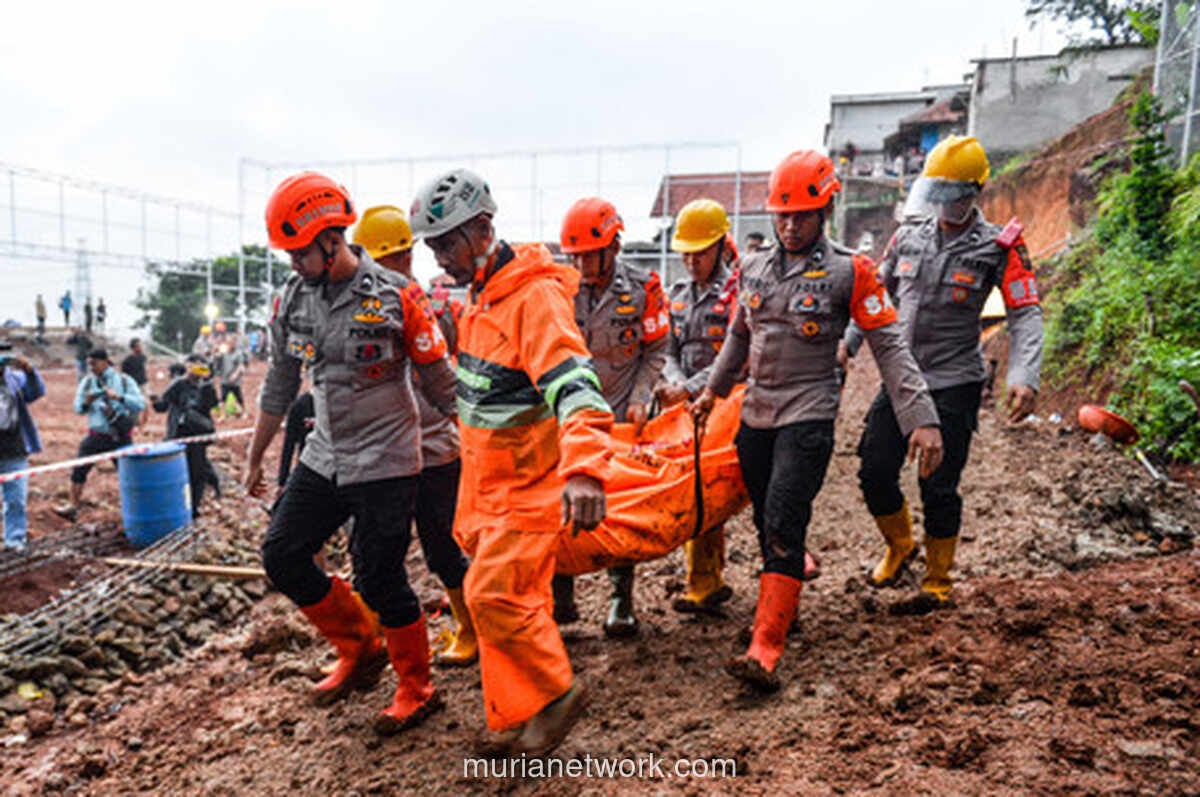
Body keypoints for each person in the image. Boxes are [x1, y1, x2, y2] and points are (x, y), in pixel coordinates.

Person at [691, 149, 942, 692]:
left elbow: (890, 346)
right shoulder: (752, 268)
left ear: (825, 210)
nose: (790, 225)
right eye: (781, 214)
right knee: (765, 515)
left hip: (809, 413)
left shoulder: (850, 271)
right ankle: (784, 601)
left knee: (783, 514)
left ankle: (765, 647)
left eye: (801, 214)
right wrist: (711, 391)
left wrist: (920, 416)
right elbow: (738, 336)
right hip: (756, 413)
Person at [243, 171, 457, 736]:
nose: (292, 262)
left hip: (388, 459)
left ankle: (417, 686)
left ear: (332, 239)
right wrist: (256, 456)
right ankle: (359, 646)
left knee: (380, 577)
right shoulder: (292, 299)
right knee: (283, 553)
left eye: (298, 251)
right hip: (325, 454)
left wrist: (484, 441)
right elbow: (279, 382)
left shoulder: (399, 296)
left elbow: (441, 384)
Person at [410, 167, 612, 756]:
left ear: (482, 230)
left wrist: (583, 468)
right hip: (492, 487)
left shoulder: (533, 297)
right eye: (434, 247)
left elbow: (574, 381)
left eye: (446, 243)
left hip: (530, 483)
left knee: (494, 596)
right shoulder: (483, 297)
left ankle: (555, 696)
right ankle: (518, 716)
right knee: (506, 599)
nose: (439, 258)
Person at [842, 135, 1043, 613]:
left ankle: (937, 579)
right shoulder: (907, 236)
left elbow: (1025, 311)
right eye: (937, 195)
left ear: (973, 193)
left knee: (939, 482)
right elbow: (873, 294)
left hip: (954, 381)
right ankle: (899, 546)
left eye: (953, 196)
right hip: (901, 379)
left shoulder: (999, 247)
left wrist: (1024, 375)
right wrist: (845, 345)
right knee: (873, 470)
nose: (944, 205)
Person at [352, 204, 477, 666]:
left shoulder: (441, 308)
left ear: (404, 258)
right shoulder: (359, 313)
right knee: (370, 546)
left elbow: (464, 372)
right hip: (381, 452)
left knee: (443, 544)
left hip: (434, 447)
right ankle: (370, 638)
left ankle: (470, 628)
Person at [654, 199, 742, 614]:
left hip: (727, 402)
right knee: (692, 481)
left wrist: (688, 388)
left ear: (721, 246)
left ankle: (708, 577)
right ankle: (705, 577)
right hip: (687, 406)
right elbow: (669, 349)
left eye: (700, 252)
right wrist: (674, 382)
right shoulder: (678, 296)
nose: (691, 262)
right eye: (685, 253)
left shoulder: (738, 294)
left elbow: (734, 355)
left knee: (712, 484)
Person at [54, 348, 145, 521]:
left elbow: (139, 404)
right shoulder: (88, 382)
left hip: (120, 436)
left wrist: (119, 398)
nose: (91, 367)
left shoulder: (124, 381)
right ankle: (72, 507)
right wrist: (86, 403)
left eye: (94, 363)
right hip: (96, 435)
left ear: (105, 362)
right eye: (89, 364)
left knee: (130, 474)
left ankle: (137, 509)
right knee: (79, 470)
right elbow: (77, 408)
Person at [152, 354, 221, 516]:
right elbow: (162, 406)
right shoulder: (178, 385)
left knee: (198, 473)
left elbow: (212, 406)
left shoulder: (206, 386)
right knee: (177, 472)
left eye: (200, 366)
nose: (196, 370)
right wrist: (155, 400)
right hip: (178, 436)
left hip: (198, 437)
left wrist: (207, 385)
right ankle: (177, 506)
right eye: (193, 365)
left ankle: (194, 508)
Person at [0, 345, 45, 553]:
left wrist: (30, 371)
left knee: (16, 499)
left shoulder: (15, 378)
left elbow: (36, 392)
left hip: (13, 448)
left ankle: (14, 540)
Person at [277, 390, 314, 493]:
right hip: (307, 470)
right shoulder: (300, 405)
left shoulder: (340, 405)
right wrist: (282, 481)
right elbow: (288, 445)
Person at [122, 338, 150, 428]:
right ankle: (134, 424)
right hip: (133, 386)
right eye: (139, 346)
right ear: (134, 348)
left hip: (143, 384)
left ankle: (143, 425)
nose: (141, 347)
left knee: (146, 405)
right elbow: (124, 375)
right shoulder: (127, 361)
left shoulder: (142, 357)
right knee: (135, 407)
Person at [217, 338, 246, 417]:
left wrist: (236, 374)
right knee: (223, 399)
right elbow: (217, 361)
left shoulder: (238, 354)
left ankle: (244, 412)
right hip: (224, 379)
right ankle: (223, 415)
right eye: (228, 343)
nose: (230, 344)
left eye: (232, 343)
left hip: (235, 381)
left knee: (239, 398)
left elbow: (241, 366)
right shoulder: (223, 353)